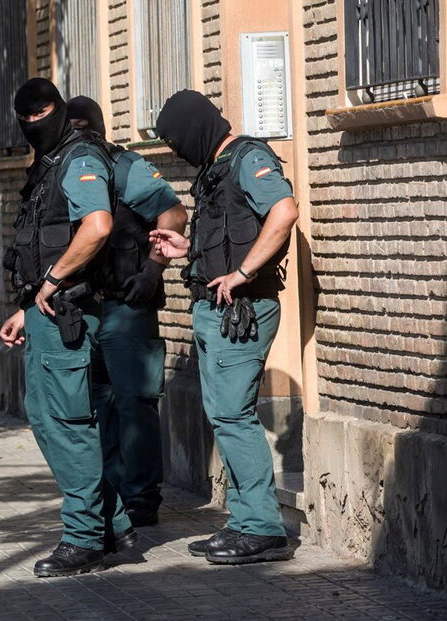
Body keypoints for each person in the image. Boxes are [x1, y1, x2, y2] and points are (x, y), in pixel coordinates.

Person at [150, 89, 299, 564]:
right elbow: (227, 235)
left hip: (243, 311)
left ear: (196, 128)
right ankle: (243, 522)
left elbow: (285, 211)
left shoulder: (248, 157)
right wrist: (185, 249)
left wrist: (244, 272)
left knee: (234, 416)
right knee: (225, 418)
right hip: (216, 310)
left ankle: (263, 529)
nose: (176, 152)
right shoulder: (216, 167)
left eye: (176, 141)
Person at [0, 78, 134, 577]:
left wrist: (52, 282)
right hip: (46, 313)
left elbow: (97, 226)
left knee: (69, 423)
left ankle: (84, 539)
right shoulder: (51, 163)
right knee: (45, 414)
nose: (34, 125)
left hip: (70, 312)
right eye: (25, 118)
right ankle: (113, 521)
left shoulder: (80, 159)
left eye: (43, 114)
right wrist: (28, 307)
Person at [65, 96, 187, 528]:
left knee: (134, 402)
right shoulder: (62, 169)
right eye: (70, 127)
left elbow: (174, 213)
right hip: (83, 308)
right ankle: (112, 494)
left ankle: (141, 498)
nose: (77, 136)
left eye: (84, 127)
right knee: (96, 404)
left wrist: (154, 269)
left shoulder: (124, 165)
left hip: (126, 303)